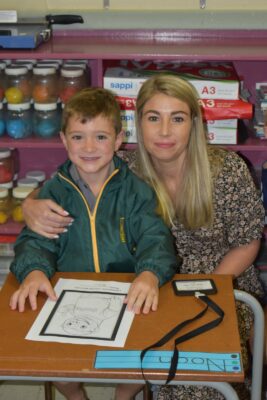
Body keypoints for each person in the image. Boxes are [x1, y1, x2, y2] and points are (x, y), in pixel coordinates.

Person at [21, 75, 265, 400]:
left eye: (176, 118)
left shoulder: (227, 171)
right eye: (153, 118)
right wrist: (29, 204)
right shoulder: (125, 168)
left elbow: (248, 242)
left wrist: (207, 289)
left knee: (194, 378)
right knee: (152, 362)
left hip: (223, 282)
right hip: (150, 283)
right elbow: (71, 183)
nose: (164, 131)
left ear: (194, 123)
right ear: (136, 126)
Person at [9, 87, 178, 400]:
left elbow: (157, 239)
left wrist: (150, 274)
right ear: (63, 140)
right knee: (54, 363)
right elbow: (34, 241)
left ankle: (123, 394)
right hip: (68, 296)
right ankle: (76, 395)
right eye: (78, 137)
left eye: (100, 137)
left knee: (145, 357)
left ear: (117, 140)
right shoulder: (54, 193)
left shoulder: (135, 192)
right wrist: (33, 271)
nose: (89, 147)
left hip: (127, 293)